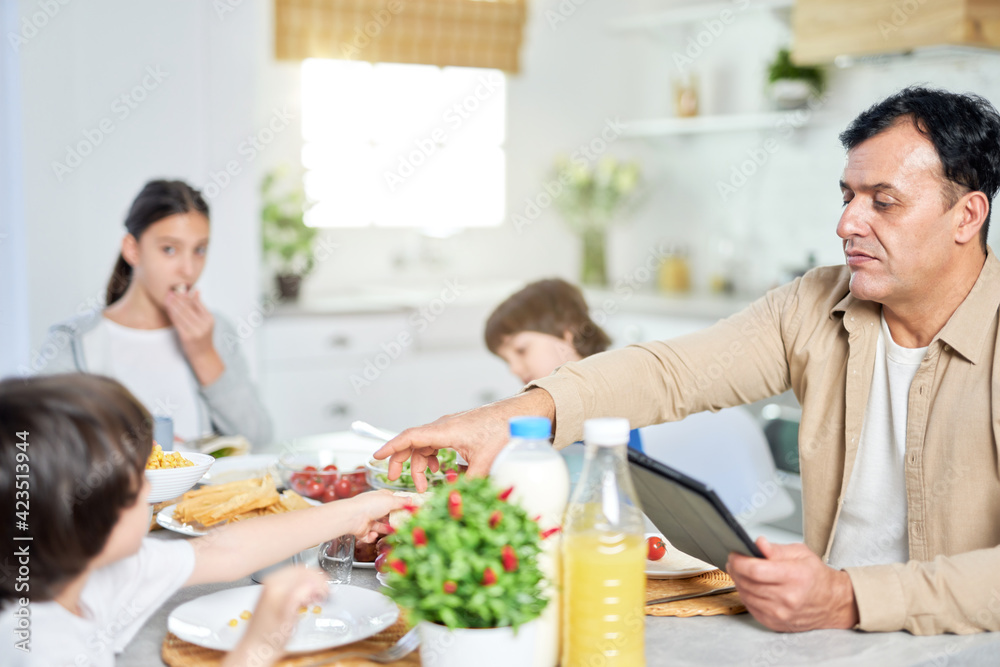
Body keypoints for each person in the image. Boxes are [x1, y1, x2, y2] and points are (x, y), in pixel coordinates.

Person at [375, 87, 1000, 635]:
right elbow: (668, 372)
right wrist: (510, 416)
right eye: (848, 195)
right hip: (823, 636)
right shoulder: (815, 302)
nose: (846, 222)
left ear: (966, 216)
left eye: (882, 202)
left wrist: (850, 598)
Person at [0, 374, 407, 666]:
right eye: (136, 481)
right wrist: (261, 639)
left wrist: (355, 511)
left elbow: (224, 549)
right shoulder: (38, 647)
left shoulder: (89, 570)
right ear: (84, 517)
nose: (151, 487)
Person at [38, 179, 273, 448]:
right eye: (169, 249)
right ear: (132, 250)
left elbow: (258, 439)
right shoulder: (72, 342)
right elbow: (41, 453)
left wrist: (203, 354)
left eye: (199, 250)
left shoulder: (215, 331)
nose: (188, 269)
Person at [484, 278, 642, 451]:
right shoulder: (545, 409)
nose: (514, 369)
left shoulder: (610, 396)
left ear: (570, 332)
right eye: (507, 361)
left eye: (521, 350)